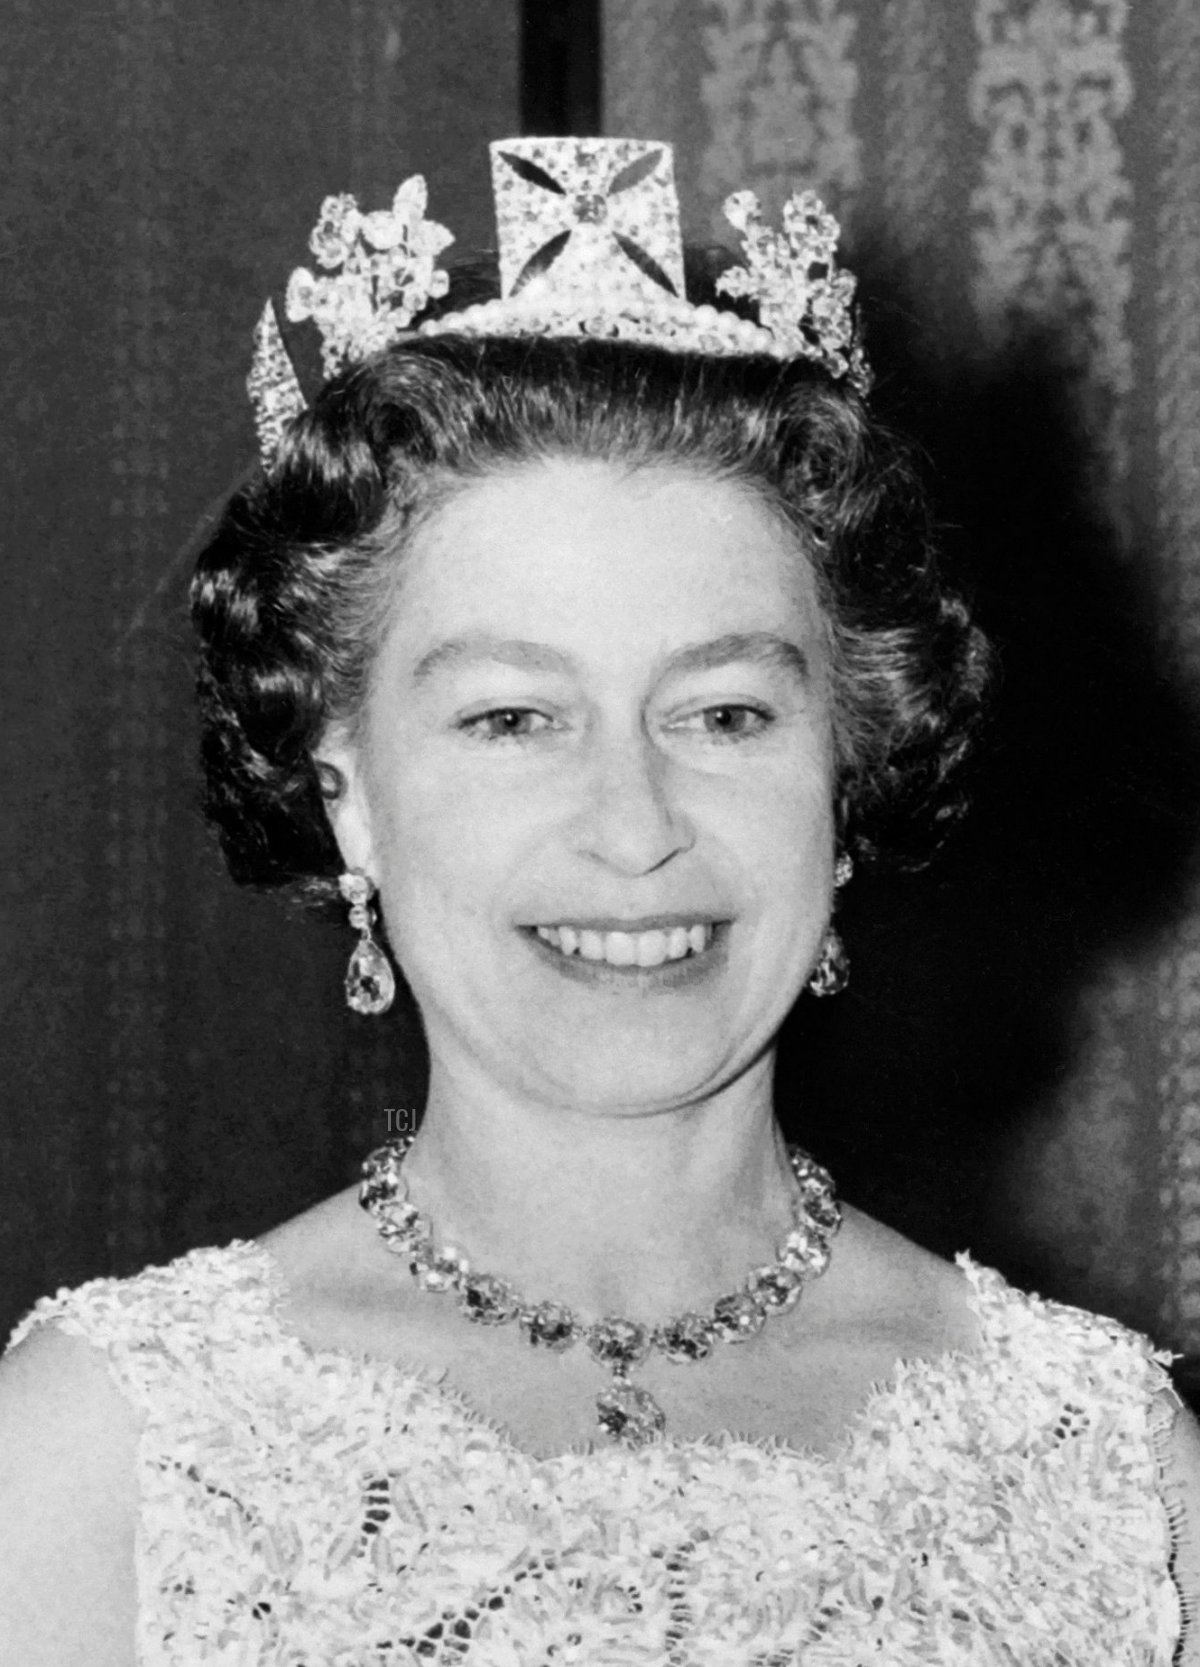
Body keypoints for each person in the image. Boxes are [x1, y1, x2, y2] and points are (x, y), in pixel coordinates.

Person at [1, 135, 1196, 1665]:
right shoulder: (113, 1454)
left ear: (850, 772)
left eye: (724, 716)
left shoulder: (1106, 1464)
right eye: (512, 719)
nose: (634, 829)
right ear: (344, 785)